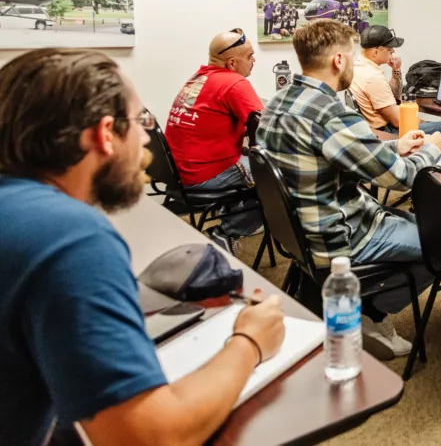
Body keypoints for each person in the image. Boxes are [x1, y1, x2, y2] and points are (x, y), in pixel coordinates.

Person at [0, 48, 285, 446]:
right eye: (139, 122)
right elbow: (152, 437)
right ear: (104, 134)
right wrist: (250, 341)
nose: (146, 140)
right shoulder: (69, 236)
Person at [257, 20, 441, 358]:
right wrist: (433, 148)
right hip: (339, 238)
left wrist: (392, 148)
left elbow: (332, 157)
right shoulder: (332, 114)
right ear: (339, 61)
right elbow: (402, 180)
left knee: (408, 222)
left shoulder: (277, 102)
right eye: (351, 54)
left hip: (297, 232)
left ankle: (366, 308)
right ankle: (370, 311)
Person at [164, 28, 264, 251]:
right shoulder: (235, 83)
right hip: (203, 176)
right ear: (231, 63)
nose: (254, 60)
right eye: (249, 56)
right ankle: (225, 233)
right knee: (279, 178)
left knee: (252, 157)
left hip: (176, 172)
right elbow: (266, 128)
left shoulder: (198, 78)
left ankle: (234, 210)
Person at [350, 25, 441, 135]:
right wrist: (423, 121)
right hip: (389, 132)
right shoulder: (373, 78)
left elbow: (395, 94)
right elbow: (398, 121)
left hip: (378, 128)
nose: (393, 50)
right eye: (389, 48)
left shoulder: (358, 67)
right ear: (375, 52)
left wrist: (396, 69)